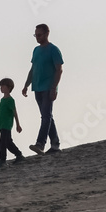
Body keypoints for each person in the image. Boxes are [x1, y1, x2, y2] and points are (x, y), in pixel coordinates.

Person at [22, 23, 63, 155]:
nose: (37, 37)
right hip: (37, 87)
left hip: (48, 87)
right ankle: (55, 144)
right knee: (47, 116)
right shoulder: (36, 50)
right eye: (36, 35)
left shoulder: (53, 49)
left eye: (39, 35)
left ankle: (40, 144)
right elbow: (33, 69)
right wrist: (26, 85)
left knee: (46, 116)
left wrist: (54, 88)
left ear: (46, 34)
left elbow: (59, 70)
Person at [0, 78, 25, 168]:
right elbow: (1, 114)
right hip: (2, 125)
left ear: (9, 87)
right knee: (8, 143)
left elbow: (15, 112)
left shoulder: (10, 100)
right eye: (0, 86)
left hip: (7, 125)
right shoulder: (2, 100)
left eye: (3, 86)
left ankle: (2, 160)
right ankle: (19, 155)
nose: (1, 88)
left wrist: (18, 124)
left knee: (2, 143)